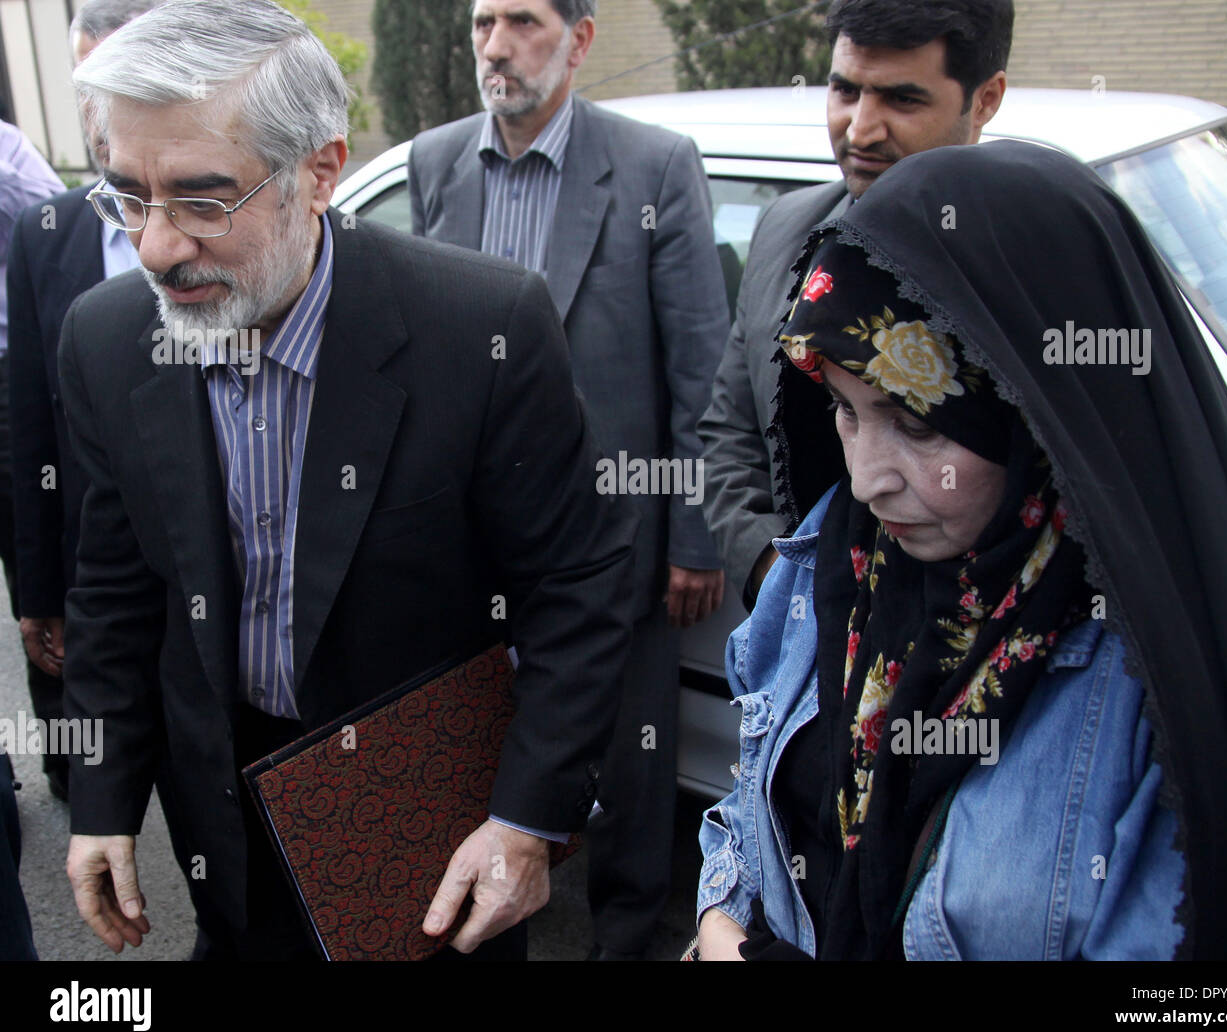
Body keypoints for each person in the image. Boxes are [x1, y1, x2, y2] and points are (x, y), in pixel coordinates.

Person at [61, 0, 636, 961]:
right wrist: (101, 799)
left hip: (427, 834)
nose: (156, 246)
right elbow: (117, 590)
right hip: (226, 823)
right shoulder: (107, 336)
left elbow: (577, 588)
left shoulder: (482, 330)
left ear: (319, 172)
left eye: (204, 200)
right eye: (125, 194)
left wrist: (528, 822)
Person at [695, 140, 1227, 960]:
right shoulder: (827, 567)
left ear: (1033, 416)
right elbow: (751, 799)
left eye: (915, 423)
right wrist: (720, 920)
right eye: (843, 409)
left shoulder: (1154, 690)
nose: (868, 479)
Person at [407, 0, 730, 959]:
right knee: (483, 736)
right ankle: (492, 908)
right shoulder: (434, 163)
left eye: (523, 22)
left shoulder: (654, 166)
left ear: (580, 41)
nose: (496, 47)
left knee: (631, 761)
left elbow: (699, 366)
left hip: (610, 534)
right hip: (471, 536)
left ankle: (627, 935)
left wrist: (695, 535)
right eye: (481, 23)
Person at [699, 0, 1011, 610]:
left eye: (902, 99)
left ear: (985, 99)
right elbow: (730, 431)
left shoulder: (1025, 262)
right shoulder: (787, 228)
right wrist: (776, 575)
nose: (861, 129)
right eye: (845, 90)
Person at [7, 0, 158, 805]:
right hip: (97, 557)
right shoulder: (45, 233)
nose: (99, 113)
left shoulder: (223, 219)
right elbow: (31, 427)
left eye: (117, 78)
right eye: (83, 86)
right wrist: (37, 594)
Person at [0, 122, 63, 962]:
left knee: (36, 575)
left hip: (11, 375)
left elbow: (55, 220)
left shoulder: (5, 149)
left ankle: (64, 759)